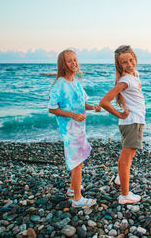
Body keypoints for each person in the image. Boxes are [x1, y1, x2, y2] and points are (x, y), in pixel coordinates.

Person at [48, 48, 101, 208]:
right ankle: (77, 199)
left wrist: (93, 107)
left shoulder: (76, 84)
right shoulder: (59, 84)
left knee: (80, 158)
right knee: (77, 161)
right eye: (69, 60)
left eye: (75, 60)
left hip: (79, 129)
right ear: (63, 64)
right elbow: (52, 108)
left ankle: (72, 189)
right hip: (69, 130)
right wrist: (72, 115)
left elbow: (82, 104)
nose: (73, 63)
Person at [99, 45, 145, 204]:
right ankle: (125, 195)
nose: (129, 64)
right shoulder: (125, 80)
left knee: (129, 155)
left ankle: (120, 177)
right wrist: (119, 114)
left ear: (135, 58)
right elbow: (104, 102)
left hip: (135, 121)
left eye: (131, 60)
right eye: (124, 62)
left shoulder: (134, 75)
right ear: (120, 65)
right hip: (132, 122)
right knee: (126, 159)